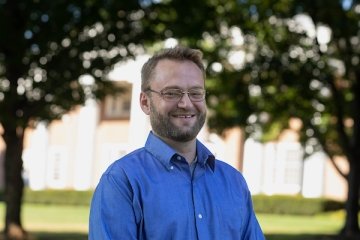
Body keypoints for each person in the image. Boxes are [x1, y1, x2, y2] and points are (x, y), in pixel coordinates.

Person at [89, 46, 265, 240]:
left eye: (196, 93)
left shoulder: (233, 182)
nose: (186, 103)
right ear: (145, 102)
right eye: (172, 93)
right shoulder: (122, 182)